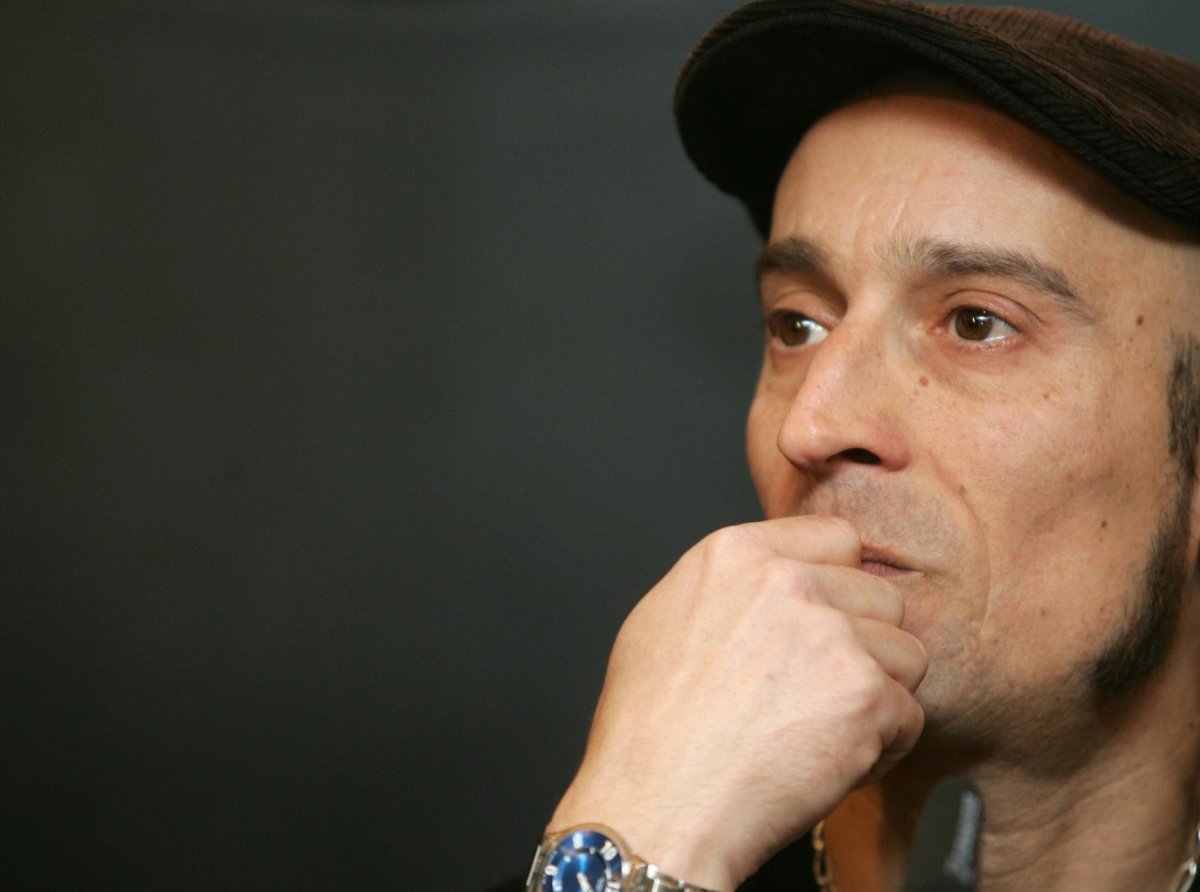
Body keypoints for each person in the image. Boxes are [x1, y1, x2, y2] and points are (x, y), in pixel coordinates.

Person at [496, 1, 1200, 890]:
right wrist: (642, 842)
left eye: (976, 323)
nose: (813, 425)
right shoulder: (646, 852)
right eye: (797, 324)